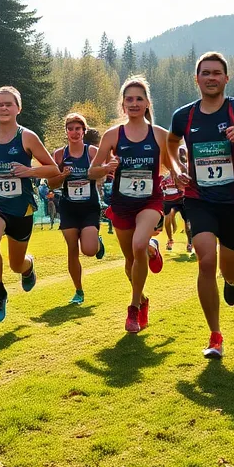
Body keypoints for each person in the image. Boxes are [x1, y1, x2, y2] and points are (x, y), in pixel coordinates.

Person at [168, 52, 234, 359]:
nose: (211, 78)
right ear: (196, 78)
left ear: (226, 78)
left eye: (217, 73)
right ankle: (215, 335)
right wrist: (176, 170)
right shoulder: (183, 116)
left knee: (229, 266)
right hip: (199, 200)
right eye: (205, 73)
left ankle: (231, 280)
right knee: (204, 261)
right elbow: (171, 146)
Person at [92, 77, 176, 333]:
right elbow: (91, 171)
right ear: (123, 104)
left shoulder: (160, 134)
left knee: (137, 246)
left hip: (150, 201)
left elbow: (174, 165)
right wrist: (106, 168)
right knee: (131, 260)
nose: (134, 103)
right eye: (129, 99)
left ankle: (133, 309)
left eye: (139, 98)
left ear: (148, 103)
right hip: (122, 203)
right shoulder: (112, 135)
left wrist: (179, 176)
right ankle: (143, 298)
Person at [0, 86, 59, 323]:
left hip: (21, 206)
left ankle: (28, 267)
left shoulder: (27, 137)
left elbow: (52, 168)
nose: (3, 108)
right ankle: (0, 292)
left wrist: (29, 171)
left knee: (16, 264)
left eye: (9, 104)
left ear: (18, 108)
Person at [45, 112, 106, 305]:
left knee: (88, 250)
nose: (74, 132)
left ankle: (97, 241)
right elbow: (51, 184)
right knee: (72, 249)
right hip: (69, 207)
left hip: (89, 207)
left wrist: (93, 174)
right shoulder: (59, 154)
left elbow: (102, 174)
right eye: (70, 129)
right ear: (66, 132)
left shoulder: (92, 152)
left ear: (83, 131)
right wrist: (62, 176)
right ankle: (78, 290)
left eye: (78, 129)